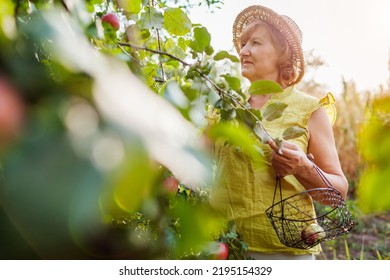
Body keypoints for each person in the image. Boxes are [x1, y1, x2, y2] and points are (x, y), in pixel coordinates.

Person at [209, 5, 349, 260]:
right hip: (225, 248)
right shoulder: (226, 108)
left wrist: (303, 167)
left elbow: (338, 194)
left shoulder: (309, 110)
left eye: (256, 42)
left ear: (282, 54)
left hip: (284, 253)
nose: (244, 51)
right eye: (243, 44)